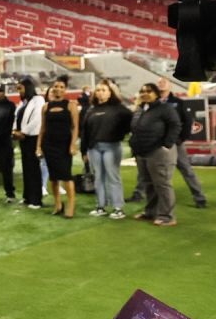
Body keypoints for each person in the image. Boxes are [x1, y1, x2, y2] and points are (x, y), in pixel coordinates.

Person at [132, 77, 207, 208]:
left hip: (173, 145)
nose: (161, 84)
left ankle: (199, 198)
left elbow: (187, 122)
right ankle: (139, 194)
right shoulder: (147, 106)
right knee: (146, 173)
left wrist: (178, 140)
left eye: (164, 82)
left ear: (170, 86)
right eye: (159, 82)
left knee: (186, 170)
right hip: (155, 147)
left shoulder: (178, 103)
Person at [129, 82, 181, 226]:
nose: (145, 93)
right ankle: (151, 212)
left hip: (158, 152)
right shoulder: (141, 109)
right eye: (142, 91)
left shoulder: (165, 108)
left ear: (156, 94)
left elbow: (176, 125)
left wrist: (166, 145)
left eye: (149, 91)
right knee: (149, 184)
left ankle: (167, 216)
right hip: (142, 152)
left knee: (162, 184)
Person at [81, 80, 132, 219]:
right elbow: (84, 131)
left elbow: (131, 123)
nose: (100, 92)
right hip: (94, 148)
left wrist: (120, 133)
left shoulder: (119, 108)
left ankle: (118, 208)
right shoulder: (91, 110)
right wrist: (83, 151)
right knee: (98, 178)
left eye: (104, 90)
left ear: (110, 92)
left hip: (112, 147)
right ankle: (100, 206)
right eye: (98, 90)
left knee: (113, 177)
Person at [37, 83, 79, 218]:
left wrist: (73, 144)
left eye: (61, 87)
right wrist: (38, 146)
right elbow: (42, 128)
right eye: (56, 86)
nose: (58, 89)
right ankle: (58, 204)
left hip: (64, 146)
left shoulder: (70, 105)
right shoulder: (46, 107)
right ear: (52, 89)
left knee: (66, 176)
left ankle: (71, 206)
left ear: (65, 90)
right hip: (49, 145)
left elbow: (75, 127)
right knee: (53, 178)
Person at [13, 78, 45, 209]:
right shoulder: (23, 103)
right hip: (23, 139)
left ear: (28, 88)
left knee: (34, 169)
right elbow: (17, 118)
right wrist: (15, 131)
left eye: (20, 88)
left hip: (33, 138)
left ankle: (36, 200)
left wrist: (23, 132)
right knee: (26, 168)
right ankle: (27, 197)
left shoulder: (38, 100)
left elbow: (37, 119)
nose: (18, 91)